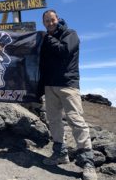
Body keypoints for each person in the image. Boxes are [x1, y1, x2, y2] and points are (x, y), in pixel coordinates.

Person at [39, 10, 97, 180]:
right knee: (54, 120)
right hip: (50, 86)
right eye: (46, 21)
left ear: (57, 19)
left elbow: (63, 51)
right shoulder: (45, 39)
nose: (49, 23)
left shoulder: (70, 34)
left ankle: (88, 163)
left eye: (52, 20)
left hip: (68, 85)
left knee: (76, 121)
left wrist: (47, 38)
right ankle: (60, 154)